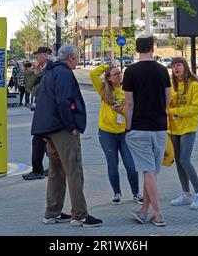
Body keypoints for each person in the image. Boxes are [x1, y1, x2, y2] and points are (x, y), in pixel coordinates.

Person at [31, 44, 102, 228]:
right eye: (77, 57)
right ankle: (80, 214)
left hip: (48, 128)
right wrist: (71, 126)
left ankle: (52, 212)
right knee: (74, 170)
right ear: (70, 57)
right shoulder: (63, 73)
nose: (77, 61)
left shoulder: (51, 71)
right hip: (62, 128)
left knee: (56, 170)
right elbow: (63, 101)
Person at [123, 35, 171, 226]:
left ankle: (158, 214)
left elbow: (128, 103)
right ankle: (144, 211)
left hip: (139, 128)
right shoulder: (162, 70)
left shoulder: (131, 71)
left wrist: (128, 128)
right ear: (153, 48)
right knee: (150, 171)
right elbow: (168, 99)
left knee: (147, 170)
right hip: (159, 127)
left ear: (137, 49)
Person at [90, 63, 143, 205]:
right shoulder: (103, 89)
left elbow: (135, 108)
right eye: (115, 74)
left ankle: (136, 193)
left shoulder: (127, 89)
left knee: (130, 165)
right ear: (108, 78)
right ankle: (117, 193)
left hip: (124, 132)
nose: (119, 75)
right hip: (106, 133)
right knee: (112, 164)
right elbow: (93, 75)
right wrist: (106, 65)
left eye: (119, 73)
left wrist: (122, 110)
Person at [168, 57, 198, 210]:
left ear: (185, 67)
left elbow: (196, 108)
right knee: (178, 160)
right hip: (173, 128)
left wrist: (175, 111)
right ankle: (185, 194)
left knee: (184, 159)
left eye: (179, 65)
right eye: (173, 66)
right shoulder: (172, 86)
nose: (176, 68)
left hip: (188, 127)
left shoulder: (194, 86)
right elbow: (167, 103)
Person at [22, 47, 53, 181]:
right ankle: (51, 167)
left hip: (47, 112)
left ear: (46, 56)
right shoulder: (42, 70)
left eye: (38, 56)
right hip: (43, 110)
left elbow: (36, 91)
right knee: (44, 141)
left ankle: (38, 170)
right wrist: (36, 73)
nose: (36, 58)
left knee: (39, 141)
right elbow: (30, 88)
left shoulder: (51, 69)